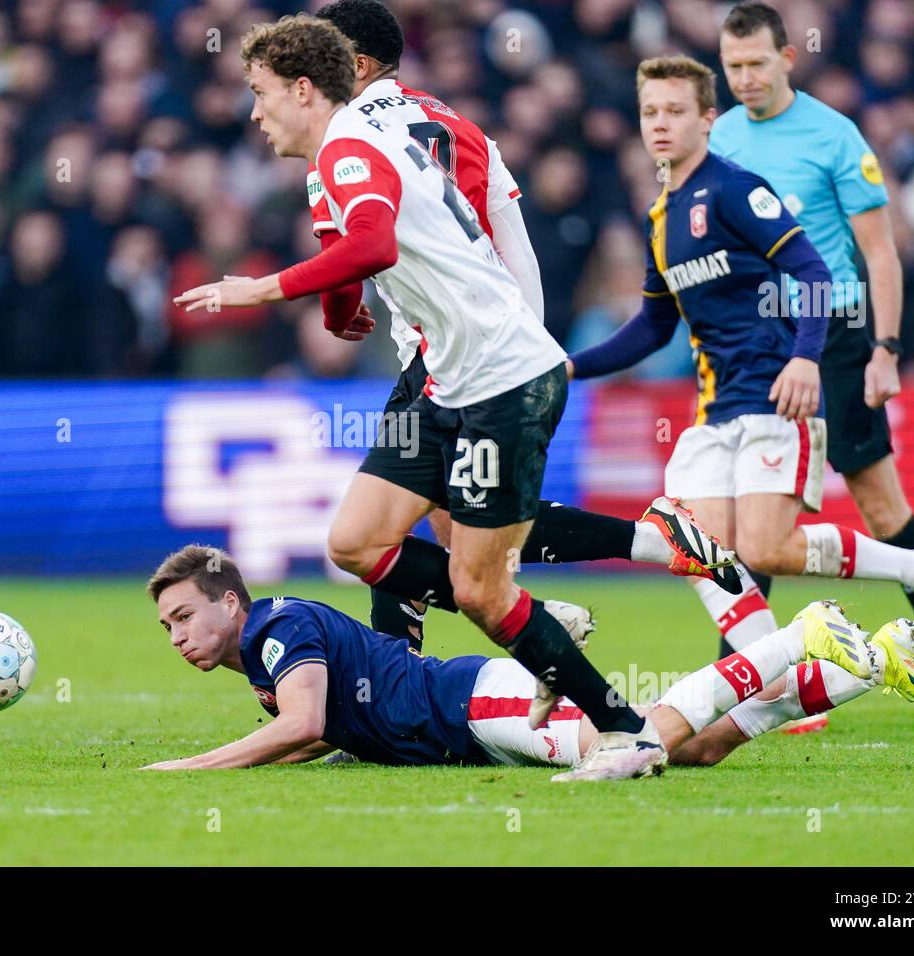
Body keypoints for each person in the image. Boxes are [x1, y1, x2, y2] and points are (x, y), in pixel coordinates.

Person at [174, 15, 661, 778]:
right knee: (358, 543)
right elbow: (350, 259)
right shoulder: (336, 153)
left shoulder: (349, 147)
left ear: (305, 89)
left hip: (504, 375)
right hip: (444, 377)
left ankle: (627, 728)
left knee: (477, 585)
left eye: (263, 94)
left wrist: (261, 289)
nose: (255, 112)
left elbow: (373, 245)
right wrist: (341, 314)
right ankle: (536, 624)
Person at [308, 0, 740, 651]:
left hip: (449, 354)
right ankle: (636, 548)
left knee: (386, 533)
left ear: (357, 64)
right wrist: (525, 337)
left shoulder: (350, 136)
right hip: (479, 343)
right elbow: (509, 228)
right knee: (457, 532)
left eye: (315, 57)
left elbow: (360, 243)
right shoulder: (456, 123)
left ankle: (401, 686)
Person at [566, 56, 914, 684]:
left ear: (708, 118)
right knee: (699, 553)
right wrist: (572, 366)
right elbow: (652, 327)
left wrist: (805, 360)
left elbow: (814, 272)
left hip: (772, 400)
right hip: (714, 411)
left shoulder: (736, 189)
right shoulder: (660, 219)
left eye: (675, 111)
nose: (660, 124)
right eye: (650, 111)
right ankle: (779, 684)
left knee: (763, 551)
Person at [709, 1, 914, 714]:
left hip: (837, 337)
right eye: (733, 66)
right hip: (758, 348)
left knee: (879, 503)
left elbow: (880, 251)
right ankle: (738, 680)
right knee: (748, 513)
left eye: (757, 64)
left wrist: (886, 350)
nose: (744, 78)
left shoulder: (834, 135)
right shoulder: (722, 137)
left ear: (787, 58)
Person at [141, 545, 914, 778]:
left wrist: (195, 765)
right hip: (461, 713)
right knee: (699, 745)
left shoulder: (274, 629)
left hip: (467, 708)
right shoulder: (265, 654)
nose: (177, 638)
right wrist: (305, 754)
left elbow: (306, 722)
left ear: (228, 599)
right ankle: (865, 662)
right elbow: (323, 731)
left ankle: (799, 633)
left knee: (641, 741)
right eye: (167, 628)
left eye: (184, 616)